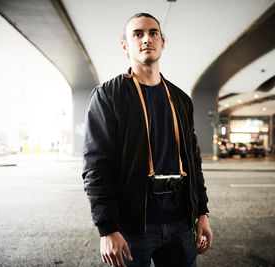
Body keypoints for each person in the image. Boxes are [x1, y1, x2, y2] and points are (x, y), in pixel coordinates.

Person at [82, 13, 212, 267]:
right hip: (132, 227)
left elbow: (193, 163)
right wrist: (106, 228)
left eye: (153, 33)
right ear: (125, 46)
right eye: (137, 34)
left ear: (163, 43)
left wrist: (202, 213)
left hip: (180, 224)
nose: (146, 39)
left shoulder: (180, 99)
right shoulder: (108, 96)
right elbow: (96, 167)